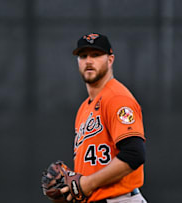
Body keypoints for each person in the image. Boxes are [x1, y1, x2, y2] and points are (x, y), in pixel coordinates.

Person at [60, 33, 147, 203]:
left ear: (110, 59)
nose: (89, 61)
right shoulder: (84, 108)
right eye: (83, 56)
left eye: (96, 55)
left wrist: (87, 183)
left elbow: (134, 154)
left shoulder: (117, 98)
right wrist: (71, 188)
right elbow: (94, 168)